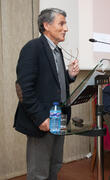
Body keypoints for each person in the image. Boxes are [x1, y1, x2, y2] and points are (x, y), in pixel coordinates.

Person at [14, 8, 79, 180]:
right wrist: (40, 117)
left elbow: (53, 83)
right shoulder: (33, 48)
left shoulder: (57, 50)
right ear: (46, 25)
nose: (66, 28)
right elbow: (23, 88)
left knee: (55, 167)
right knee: (39, 173)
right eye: (61, 23)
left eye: (66, 23)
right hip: (43, 120)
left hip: (60, 117)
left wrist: (69, 76)